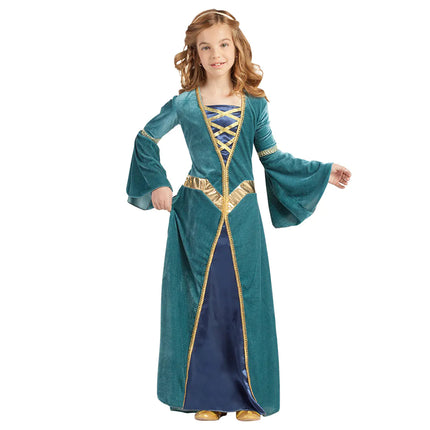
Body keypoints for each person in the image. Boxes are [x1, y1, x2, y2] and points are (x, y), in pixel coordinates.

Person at [126, 8, 351, 422]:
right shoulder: (183, 104)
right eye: (205, 47)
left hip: (243, 217)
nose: (216, 54)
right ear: (195, 53)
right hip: (196, 217)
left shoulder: (255, 105)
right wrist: (157, 182)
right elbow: (145, 139)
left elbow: (272, 157)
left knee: (243, 300)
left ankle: (249, 396)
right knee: (205, 302)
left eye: (223, 44)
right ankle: (206, 395)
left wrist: (321, 171)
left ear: (237, 47)